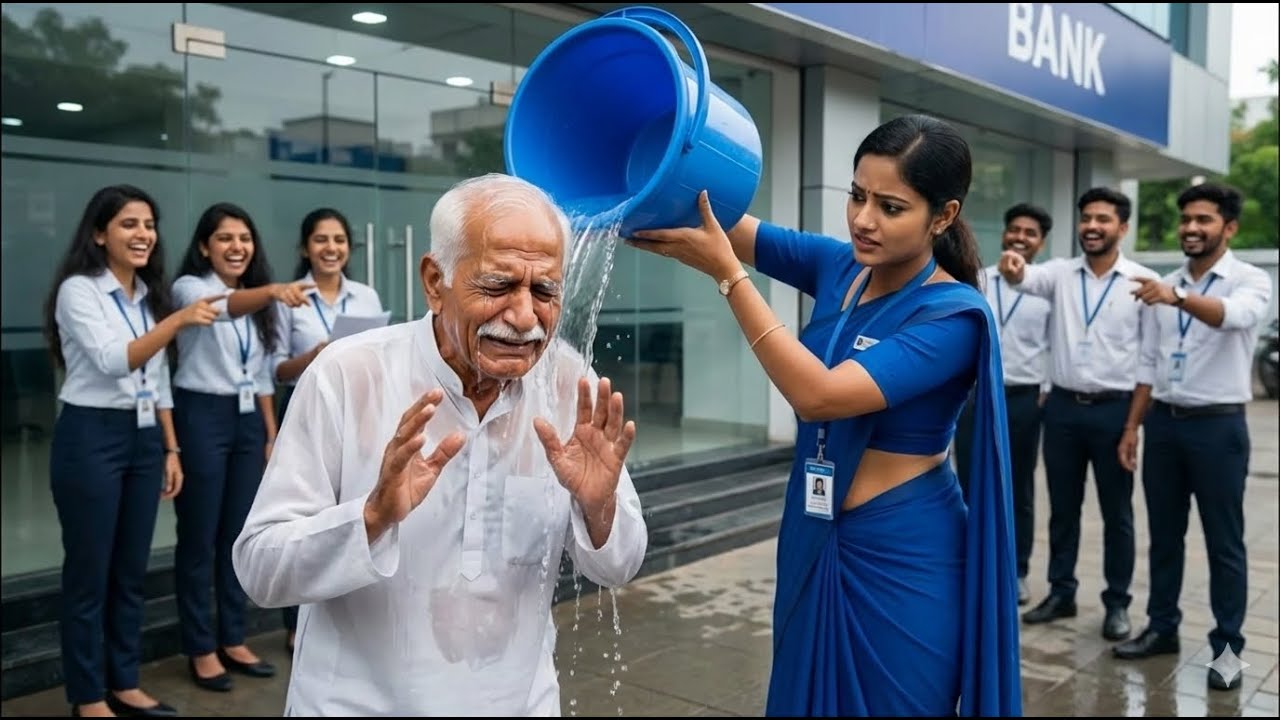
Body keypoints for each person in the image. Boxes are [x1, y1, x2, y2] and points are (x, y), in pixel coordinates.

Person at [630, 114, 1020, 716]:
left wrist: (730, 278)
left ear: (942, 217)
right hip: (814, 530)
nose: (864, 219)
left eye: (891, 207)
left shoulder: (952, 317)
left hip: (904, 553)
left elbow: (820, 396)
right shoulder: (840, 266)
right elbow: (726, 220)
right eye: (857, 196)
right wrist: (651, 153)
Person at [232, 173, 649, 716]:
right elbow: (260, 570)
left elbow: (618, 567)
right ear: (435, 280)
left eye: (544, 290)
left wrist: (599, 507)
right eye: (498, 286)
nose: (525, 317)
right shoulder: (349, 374)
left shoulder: (567, 383)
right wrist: (372, 517)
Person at [42, 185, 222, 718]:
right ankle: (87, 696)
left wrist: (170, 448)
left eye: (148, 224)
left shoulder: (149, 295)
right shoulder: (80, 291)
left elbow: (157, 377)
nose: (143, 234)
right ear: (99, 234)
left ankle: (124, 681)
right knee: (89, 574)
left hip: (145, 438)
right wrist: (177, 322)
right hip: (91, 434)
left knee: (130, 570)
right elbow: (113, 360)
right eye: (128, 224)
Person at [1111, 182, 1272, 691]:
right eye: (1186, 220)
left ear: (1229, 228)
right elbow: (1148, 362)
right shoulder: (1165, 283)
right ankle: (1162, 628)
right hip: (1164, 424)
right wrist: (1133, 425)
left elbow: (1236, 317)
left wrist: (1176, 297)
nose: (1191, 229)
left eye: (1203, 220)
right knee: (1164, 537)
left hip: (1219, 426)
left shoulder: (1248, 280)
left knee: (1225, 544)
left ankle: (1228, 650)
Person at [998, 187, 1158, 642]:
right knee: (1063, 510)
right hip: (1064, 409)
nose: (1092, 226)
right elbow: (1022, 278)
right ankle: (1061, 591)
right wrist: (1012, 268)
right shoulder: (1060, 274)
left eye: (1103, 219)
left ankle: (1118, 604)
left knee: (1116, 513)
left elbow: (1149, 361)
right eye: (1086, 217)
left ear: (1122, 228)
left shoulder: (1141, 282)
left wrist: (1132, 427)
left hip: (1115, 411)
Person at [171, 202, 312, 692]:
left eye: (244, 238)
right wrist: (272, 291)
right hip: (201, 414)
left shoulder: (257, 305)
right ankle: (201, 646)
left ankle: (233, 637)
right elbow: (219, 309)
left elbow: (260, 378)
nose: (237, 247)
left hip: (249, 419)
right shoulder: (191, 289)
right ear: (205, 246)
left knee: (237, 534)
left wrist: (272, 434)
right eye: (225, 239)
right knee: (199, 538)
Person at [272, 207, 385, 652]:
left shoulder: (366, 297)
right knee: (303, 512)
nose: (330, 248)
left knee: (350, 504)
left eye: (338, 240)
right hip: (302, 406)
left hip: (356, 408)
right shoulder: (290, 298)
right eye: (320, 240)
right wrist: (319, 354)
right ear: (305, 248)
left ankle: (343, 609)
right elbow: (276, 369)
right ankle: (294, 625)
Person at [954, 203, 1054, 605]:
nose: (1019, 237)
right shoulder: (978, 281)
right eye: (1014, 229)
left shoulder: (1048, 291)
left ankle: (1016, 571)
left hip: (1023, 398)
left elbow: (1054, 345)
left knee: (1018, 487)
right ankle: (966, 563)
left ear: (1040, 242)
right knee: (966, 482)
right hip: (975, 395)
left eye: (1030, 232)